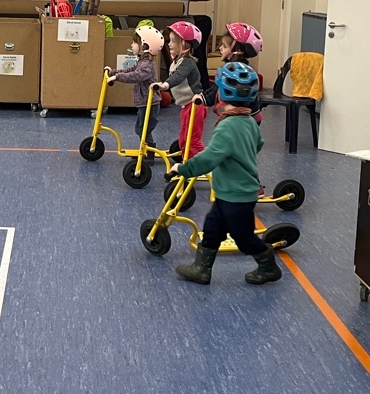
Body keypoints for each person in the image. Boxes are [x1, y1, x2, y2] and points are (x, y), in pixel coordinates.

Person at [169, 62, 281, 286]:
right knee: (212, 229)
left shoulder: (227, 127)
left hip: (236, 195)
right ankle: (202, 269)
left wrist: (182, 168)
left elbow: (208, 160)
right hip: (229, 192)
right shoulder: (249, 121)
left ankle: (268, 265)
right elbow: (258, 143)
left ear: (221, 94)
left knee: (243, 238)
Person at [106, 25, 165, 157]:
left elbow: (135, 76)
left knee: (143, 130)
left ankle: (149, 154)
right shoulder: (142, 62)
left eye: (134, 42)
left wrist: (117, 77)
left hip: (150, 104)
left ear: (144, 46)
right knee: (141, 129)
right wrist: (114, 72)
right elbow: (131, 70)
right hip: (144, 103)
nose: (131, 45)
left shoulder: (147, 65)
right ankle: (145, 151)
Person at [157, 21, 205, 157]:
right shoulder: (176, 61)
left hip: (195, 106)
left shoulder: (187, 63)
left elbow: (178, 76)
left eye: (173, 41)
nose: (169, 44)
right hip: (186, 106)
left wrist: (165, 85)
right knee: (184, 138)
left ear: (184, 45)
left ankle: (203, 163)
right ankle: (186, 159)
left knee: (192, 140)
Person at [210, 22, 264, 125]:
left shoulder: (234, 71)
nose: (220, 48)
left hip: (245, 118)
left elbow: (217, 89)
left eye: (224, 46)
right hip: (252, 115)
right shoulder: (243, 66)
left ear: (237, 50)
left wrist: (204, 98)